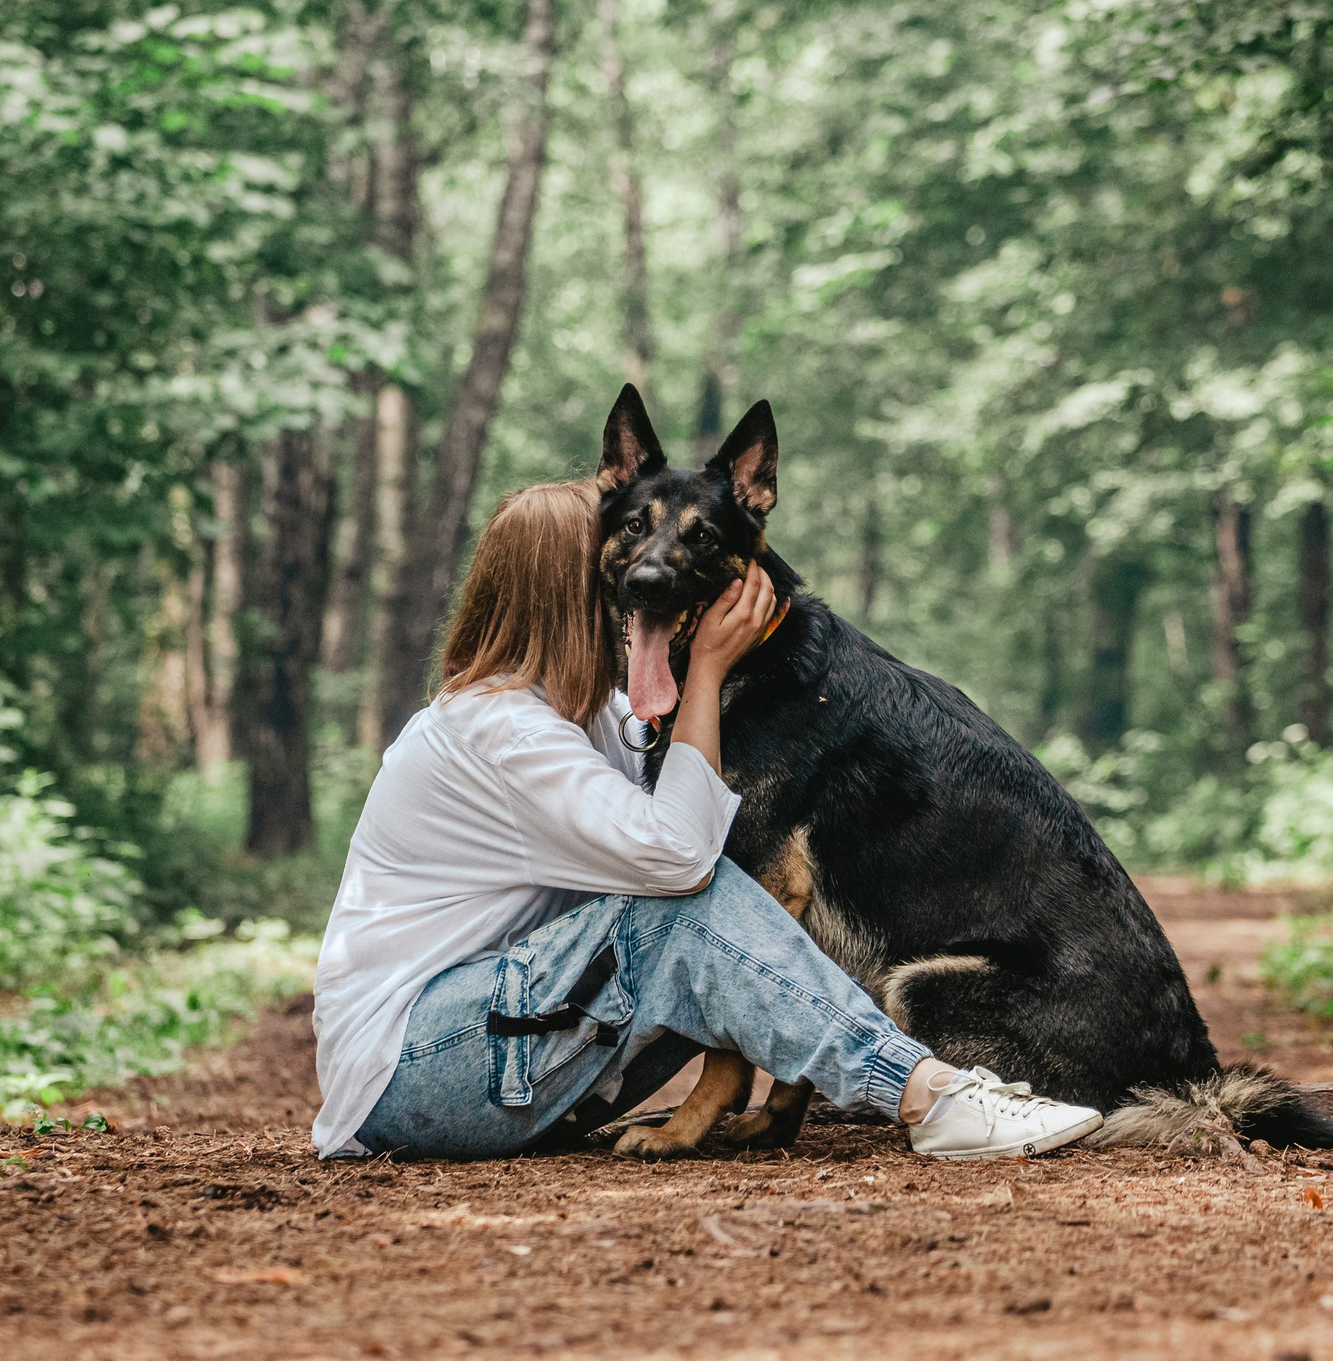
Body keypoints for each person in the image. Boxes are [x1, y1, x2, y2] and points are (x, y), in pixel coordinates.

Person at [310, 478, 1103, 1162]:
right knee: (681, 898)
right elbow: (682, 862)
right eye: (621, 563)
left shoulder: (587, 716)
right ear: (573, 593)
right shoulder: (499, 731)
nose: (652, 580)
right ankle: (929, 1096)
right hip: (415, 1068)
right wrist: (711, 671)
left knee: (706, 878)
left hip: (504, 1039)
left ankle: (866, 1080)